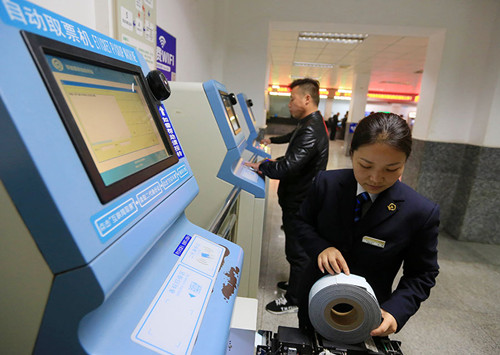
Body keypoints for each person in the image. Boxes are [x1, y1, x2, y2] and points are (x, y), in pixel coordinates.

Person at [295, 112, 439, 337]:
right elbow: (301, 223)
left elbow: (422, 273)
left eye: (391, 169)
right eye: (365, 165)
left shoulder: (420, 211)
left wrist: (395, 310)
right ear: (352, 154)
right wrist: (321, 247)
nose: (375, 178)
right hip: (315, 298)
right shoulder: (327, 184)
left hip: (370, 311)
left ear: (405, 162)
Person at [245, 78, 329, 314]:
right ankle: (297, 284)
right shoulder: (309, 122)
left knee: (298, 251)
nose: (289, 104)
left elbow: (288, 168)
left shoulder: (311, 127)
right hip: (300, 195)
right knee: (296, 247)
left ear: (307, 99)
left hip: (301, 200)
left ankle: (295, 298)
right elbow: (294, 145)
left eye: (292, 99)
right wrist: (271, 154)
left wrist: (263, 166)